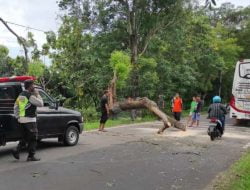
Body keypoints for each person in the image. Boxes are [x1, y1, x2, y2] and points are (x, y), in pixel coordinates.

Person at [12, 79, 44, 161]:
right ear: (30, 86)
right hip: (30, 120)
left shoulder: (21, 95)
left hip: (22, 120)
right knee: (33, 138)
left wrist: (18, 117)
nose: (34, 87)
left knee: (25, 137)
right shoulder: (30, 96)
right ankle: (31, 156)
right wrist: (37, 94)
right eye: (33, 85)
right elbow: (41, 104)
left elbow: (15, 107)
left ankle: (16, 150)